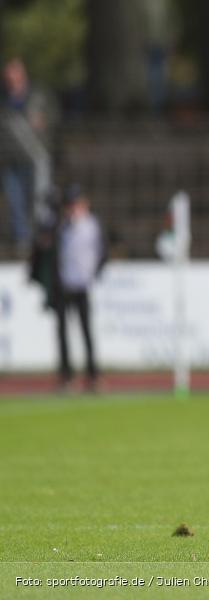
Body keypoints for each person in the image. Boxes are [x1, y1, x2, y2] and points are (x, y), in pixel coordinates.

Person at [2, 58, 57, 250]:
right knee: (15, 202)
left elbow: (53, 116)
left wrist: (43, 122)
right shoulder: (4, 99)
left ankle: (39, 238)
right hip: (10, 159)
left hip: (35, 158)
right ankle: (22, 241)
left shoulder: (37, 95)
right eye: (8, 73)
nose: (11, 77)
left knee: (38, 199)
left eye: (14, 72)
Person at [56, 185, 104, 391]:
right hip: (65, 284)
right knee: (63, 332)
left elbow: (101, 252)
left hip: (83, 284)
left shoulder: (92, 225)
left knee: (86, 331)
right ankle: (66, 376)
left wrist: (94, 273)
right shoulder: (63, 227)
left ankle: (93, 376)